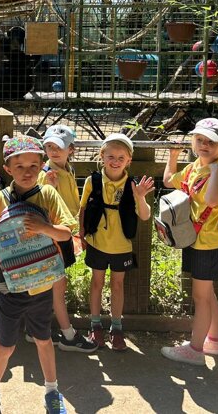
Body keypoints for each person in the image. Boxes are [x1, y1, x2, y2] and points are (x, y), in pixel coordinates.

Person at [0, 136, 76, 414]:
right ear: (7, 168)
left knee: (44, 341)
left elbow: (67, 233)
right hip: (11, 286)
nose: (27, 171)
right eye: (19, 166)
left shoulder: (48, 195)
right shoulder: (1, 198)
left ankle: (52, 391)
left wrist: (44, 228)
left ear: (42, 165)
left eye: (34, 165)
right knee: (4, 345)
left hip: (42, 285)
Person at [160, 118, 218, 365]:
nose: (204, 145)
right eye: (200, 140)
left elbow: (212, 201)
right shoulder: (193, 168)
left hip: (207, 245)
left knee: (201, 298)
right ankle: (214, 340)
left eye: (211, 142)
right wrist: (173, 157)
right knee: (207, 295)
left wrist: (215, 171)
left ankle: (195, 349)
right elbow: (169, 180)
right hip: (195, 241)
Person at [79, 133, 153, 351]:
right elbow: (83, 209)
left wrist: (140, 196)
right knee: (96, 282)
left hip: (121, 246)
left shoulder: (132, 185)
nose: (115, 161)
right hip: (97, 242)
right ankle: (95, 325)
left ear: (129, 160)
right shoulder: (92, 181)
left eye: (121, 158)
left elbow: (145, 215)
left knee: (117, 285)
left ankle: (116, 327)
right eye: (111, 156)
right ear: (102, 156)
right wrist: (82, 234)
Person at [36, 125, 97, 352]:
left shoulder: (67, 169)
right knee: (57, 285)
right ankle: (68, 335)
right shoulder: (46, 175)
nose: (53, 151)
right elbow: (42, 209)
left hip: (64, 234)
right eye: (49, 146)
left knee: (51, 285)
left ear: (71, 149)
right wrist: (49, 187)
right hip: (53, 237)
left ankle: (36, 330)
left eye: (59, 147)